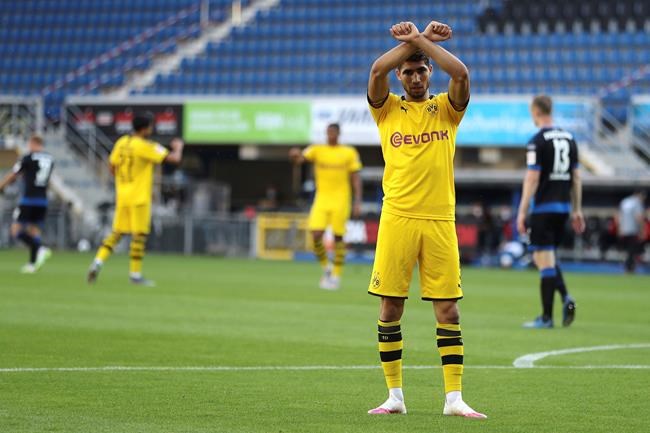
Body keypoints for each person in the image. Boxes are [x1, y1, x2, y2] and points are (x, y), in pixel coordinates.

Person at [366, 20, 485, 418]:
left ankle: (454, 399)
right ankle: (394, 396)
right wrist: (420, 40)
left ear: (429, 73)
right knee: (390, 308)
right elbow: (376, 71)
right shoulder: (387, 111)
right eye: (409, 71)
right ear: (401, 77)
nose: (415, 76)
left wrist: (421, 42)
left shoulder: (447, 111)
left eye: (421, 70)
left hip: (439, 220)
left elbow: (462, 73)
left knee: (448, 311)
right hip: (397, 217)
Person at [87, 113, 184, 286]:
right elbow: (174, 159)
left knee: (116, 233)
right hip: (139, 197)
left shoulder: (122, 142)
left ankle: (97, 262)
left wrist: (123, 181)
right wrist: (178, 147)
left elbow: (112, 165)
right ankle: (135, 274)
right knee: (139, 236)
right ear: (146, 128)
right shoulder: (146, 146)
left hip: (123, 196)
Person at [516, 95, 586, 329]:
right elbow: (576, 177)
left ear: (536, 111)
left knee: (544, 262)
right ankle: (565, 296)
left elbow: (532, 178)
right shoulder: (570, 138)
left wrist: (522, 211)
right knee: (545, 258)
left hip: (544, 209)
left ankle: (546, 317)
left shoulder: (537, 141)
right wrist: (577, 209)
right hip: (563, 208)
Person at [289, 123, 362, 290]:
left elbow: (356, 177)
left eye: (333, 133)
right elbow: (300, 159)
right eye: (328, 133)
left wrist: (357, 201)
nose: (330, 136)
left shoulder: (349, 152)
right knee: (315, 234)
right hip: (322, 198)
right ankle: (326, 267)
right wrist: (294, 155)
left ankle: (336, 274)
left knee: (338, 237)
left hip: (341, 199)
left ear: (338, 134)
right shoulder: (317, 150)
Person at [0, 135, 54, 273]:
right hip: (42, 200)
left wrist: (1, 186)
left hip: (28, 200)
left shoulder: (28, 158)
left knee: (15, 231)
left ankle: (41, 248)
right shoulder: (50, 159)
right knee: (33, 231)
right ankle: (32, 264)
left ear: (33, 143)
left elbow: (14, 174)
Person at [618, 190, 646, 273]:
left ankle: (627, 266)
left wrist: (619, 228)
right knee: (632, 250)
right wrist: (642, 230)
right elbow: (638, 217)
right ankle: (630, 268)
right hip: (633, 230)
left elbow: (620, 216)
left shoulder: (624, 201)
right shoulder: (637, 202)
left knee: (628, 250)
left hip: (624, 229)